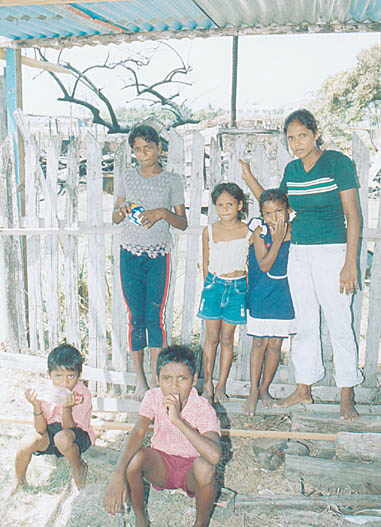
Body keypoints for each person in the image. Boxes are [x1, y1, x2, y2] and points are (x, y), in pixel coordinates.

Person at [240, 108, 363, 420]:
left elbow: (354, 216)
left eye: (302, 136)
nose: (296, 143)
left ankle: (346, 393)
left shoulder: (338, 163)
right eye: (291, 138)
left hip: (333, 252)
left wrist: (350, 263)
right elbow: (274, 205)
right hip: (299, 253)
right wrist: (249, 178)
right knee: (305, 323)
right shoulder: (292, 171)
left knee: (339, 322)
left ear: (315, 133)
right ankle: (303, 387)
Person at [103, 345, 221, 527]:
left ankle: (201, 523)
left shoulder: (202, 407)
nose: (174, 386)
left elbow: (214, 456)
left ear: (194, 379)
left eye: (182, 378)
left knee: (205, 467)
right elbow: (138, 431)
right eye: (167, 378)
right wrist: (118, 474)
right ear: (157, 379)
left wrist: (178, 420)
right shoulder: (153, 397)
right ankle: (141, 519)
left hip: (191, 472)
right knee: (135, 460)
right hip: (161, 467)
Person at [113, 125, 187, 400]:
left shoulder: (172, 181)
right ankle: (140, 381)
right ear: (133, 152)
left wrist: (162, 213)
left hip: (158, 255)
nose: (143, 153)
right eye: (137, 149)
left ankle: (158, 382)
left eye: (148, 147)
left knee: (155, 318)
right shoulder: (126, 177)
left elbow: (182, 222)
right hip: (129, 253)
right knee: (136, 318)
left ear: (159, 148)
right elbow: (115, 217)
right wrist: (120, 211)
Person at [13, 344, 95, 492]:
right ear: (49, 374)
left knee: (62, 438)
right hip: (52, 433)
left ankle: (78, 466)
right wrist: (36, 405)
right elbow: (40, 429)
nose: (65, 382)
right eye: (58, 376)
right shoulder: (45, 391)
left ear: (79, 375)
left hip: (76, 436)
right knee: (25, 443)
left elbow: (69, 429)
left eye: (71, 376)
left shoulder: (82, 394)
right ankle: (20, 482)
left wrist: (67, 407)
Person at [243, 189, 296, 415]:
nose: (274, 217)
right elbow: (264, 265)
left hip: (284, 295)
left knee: (275, 345)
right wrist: (276, 241)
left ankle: (265, 388)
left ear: (288, 211)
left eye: (279, 212)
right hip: (261, 293)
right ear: (262, 214)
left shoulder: (296, 231)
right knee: (258, 344)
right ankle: (253, 391)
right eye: (268, 213)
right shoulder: (259, 232)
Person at [197, 182, 250, 404]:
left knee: (228, 338)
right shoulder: (208, 231)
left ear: (239, 205)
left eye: (230, 204)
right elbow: (206, 262)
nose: (225, 209)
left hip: (237, 288)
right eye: (220, 205)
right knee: (211, 338)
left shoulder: (249, 232)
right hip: (214, 286)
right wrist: (210, 285)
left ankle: (221, 386)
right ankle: (207, 384)